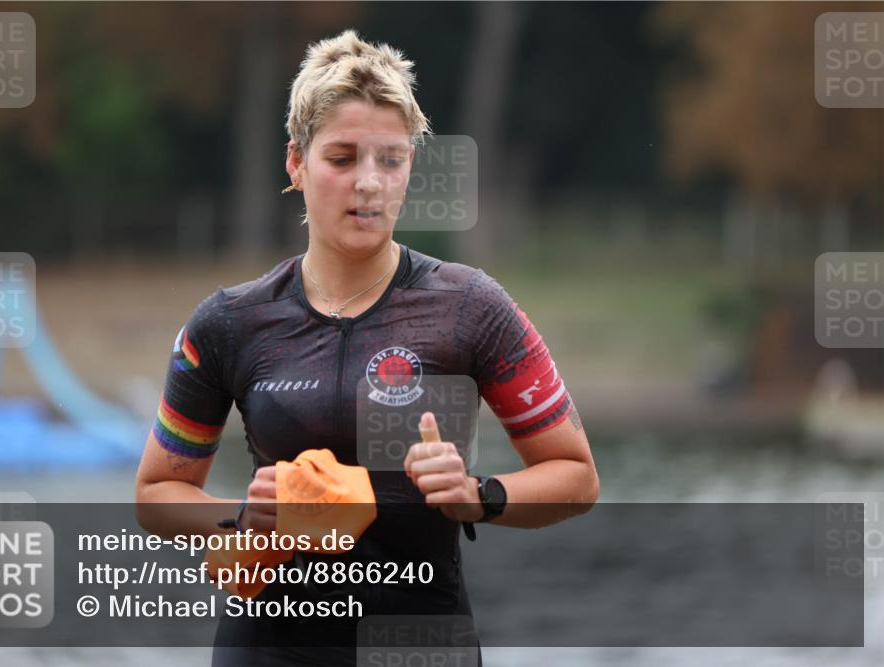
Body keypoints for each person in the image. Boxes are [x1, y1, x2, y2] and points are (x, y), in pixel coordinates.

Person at [135, 29, 600, 666]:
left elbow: (576, 476)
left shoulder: (471, 306)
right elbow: (157, 494)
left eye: (390, 159)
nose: (369, 184)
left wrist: (479, 495)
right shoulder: (231, 321)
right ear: (296, 164)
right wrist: (243, 514)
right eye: (343, 157)